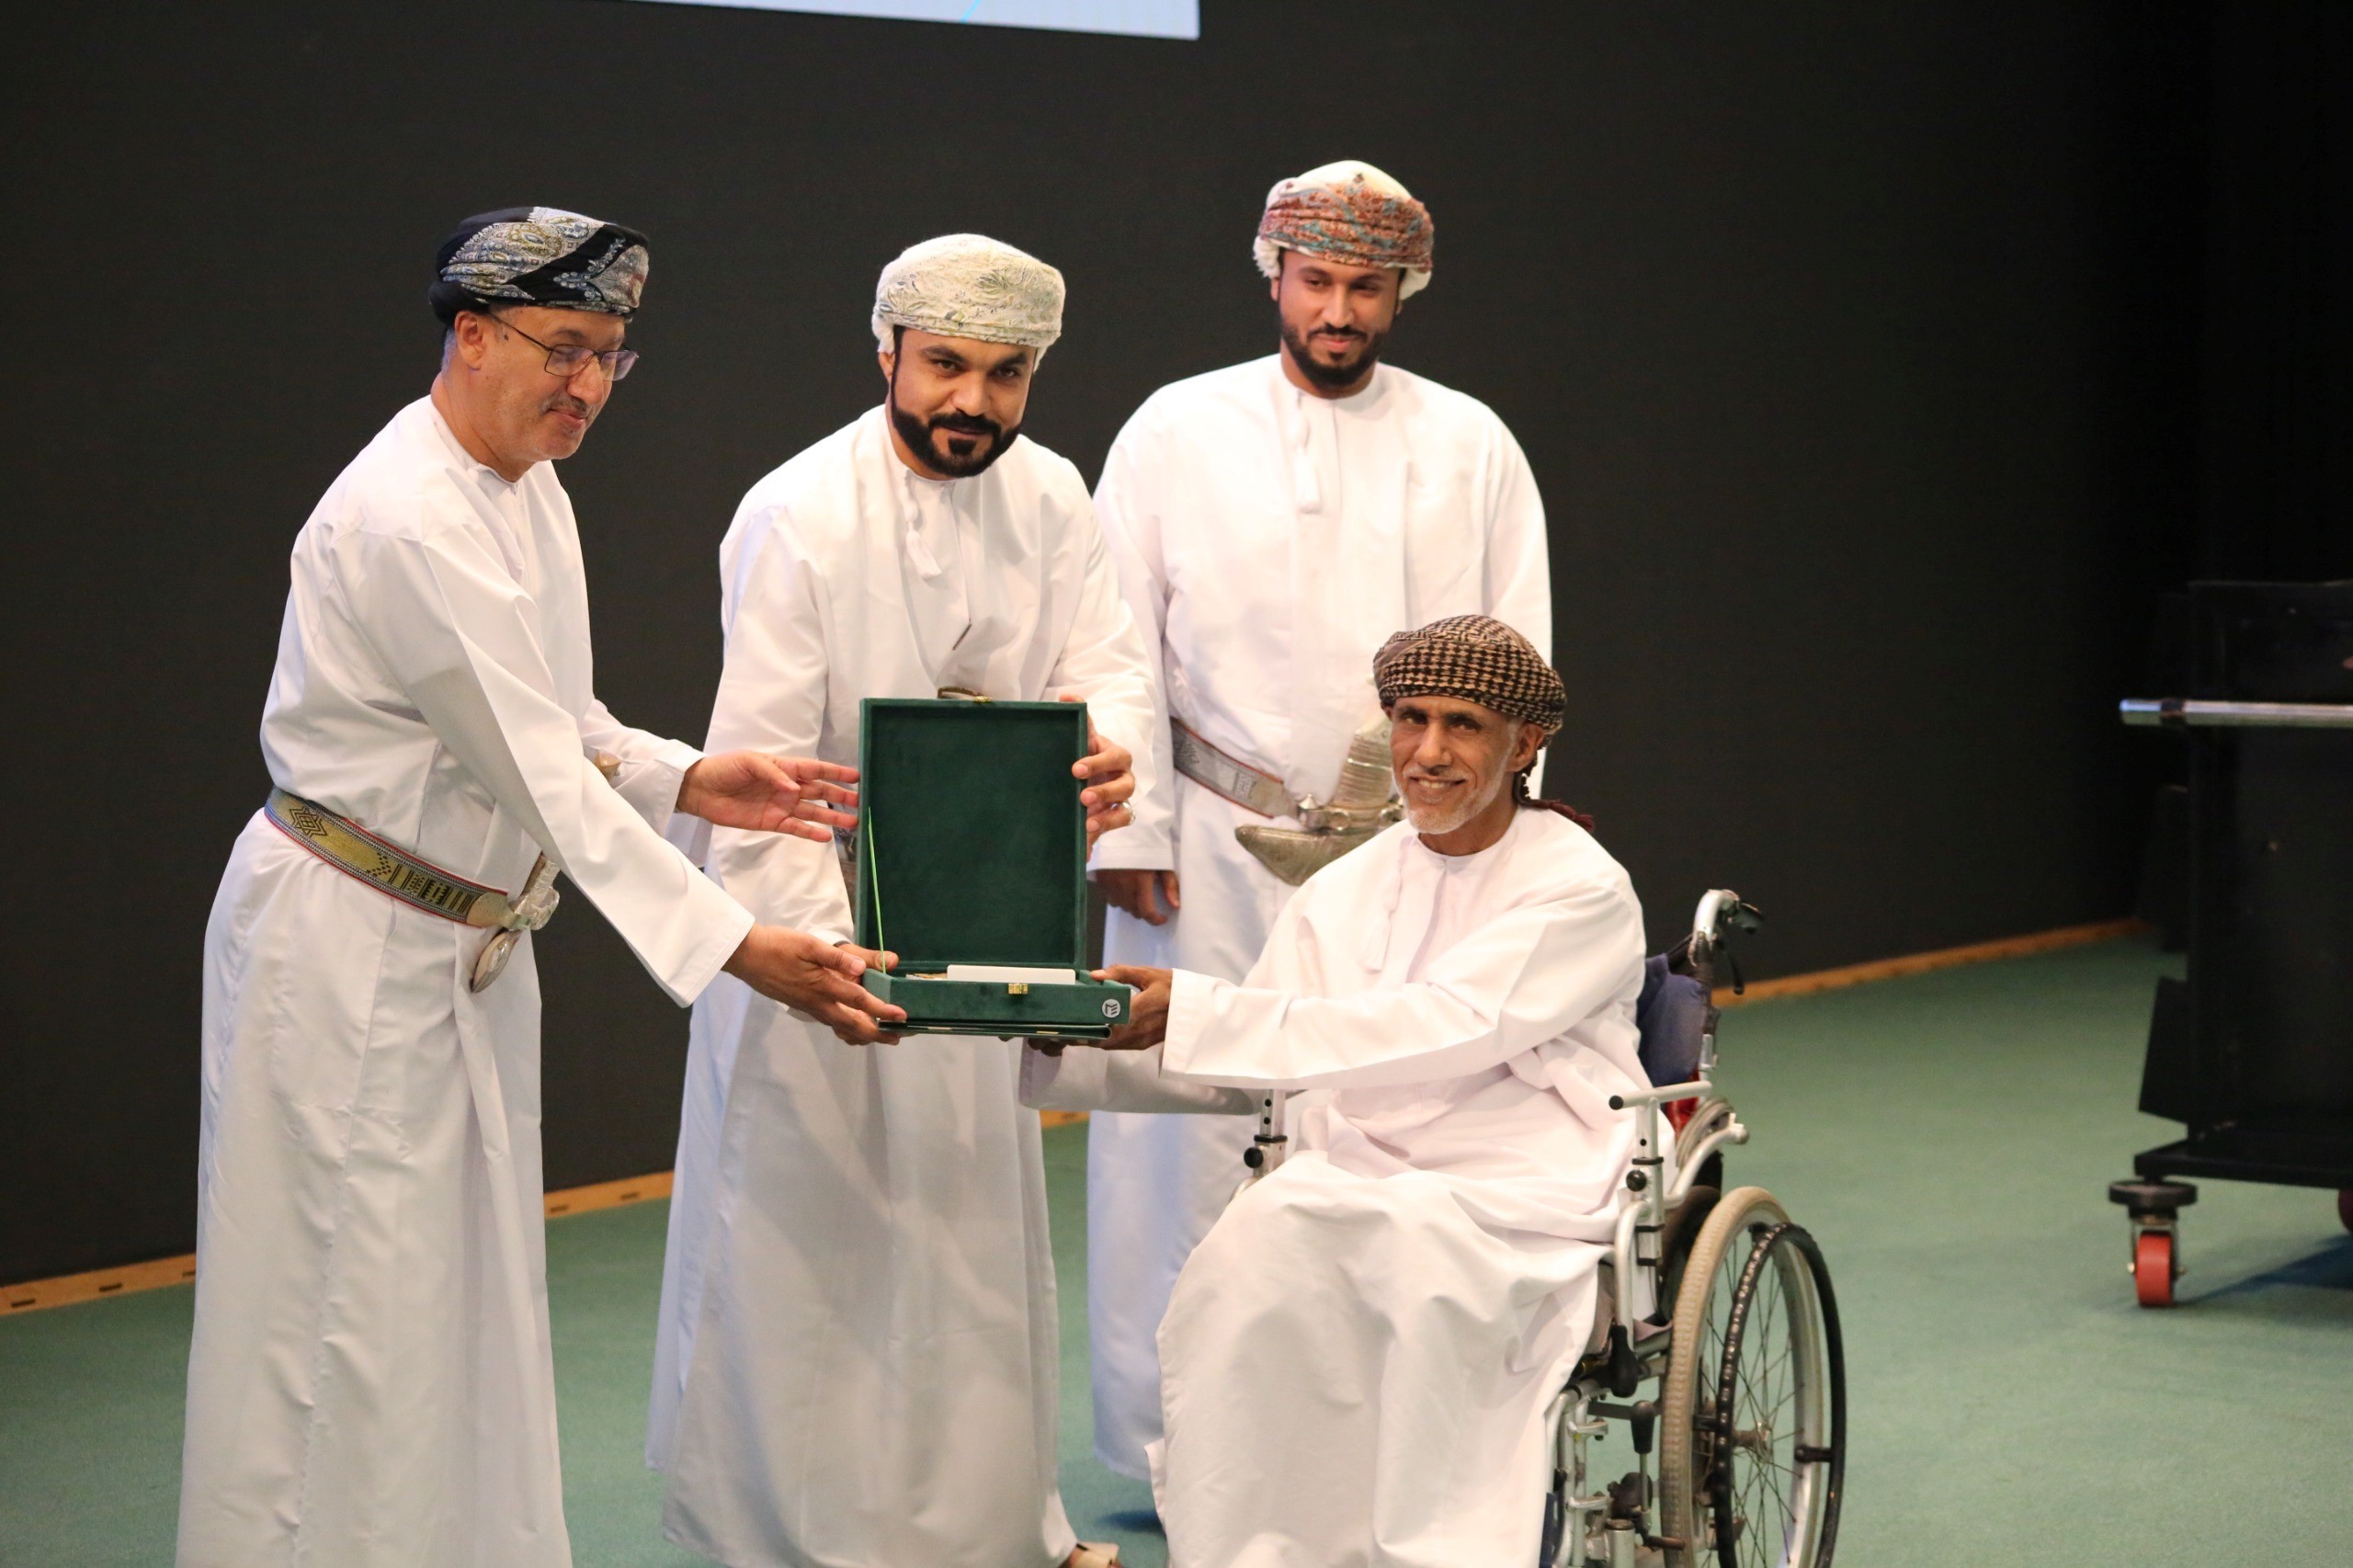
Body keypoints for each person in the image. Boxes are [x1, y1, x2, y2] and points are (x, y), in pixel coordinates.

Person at [176, 207, 901, 1568]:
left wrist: (689, 775)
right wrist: (740, 937)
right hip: (345, 956)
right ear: (469, 336)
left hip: (456, 950)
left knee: (459, 1306)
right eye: (562, 347)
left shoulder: (519, 484)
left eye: (610, 357)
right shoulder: (407, 519)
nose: (584, 386)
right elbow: (536, 774)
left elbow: (554, 719)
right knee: (345, 1319)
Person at [649, 233, 1154, 1568]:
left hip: (987, 936)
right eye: (944, 366)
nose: (971, 402)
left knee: (969, 1248)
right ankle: (792, 1544)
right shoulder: (798, 512)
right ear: (885, 353)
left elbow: (1108, 666)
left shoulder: (1054, 495)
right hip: (824, 943)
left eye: (1004, 374)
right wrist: (823, 955)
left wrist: (1109, 756)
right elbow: (755, 764)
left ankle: (994, 1531)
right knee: (810, 1263)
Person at [1084, 157, 1554, 1479]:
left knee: (1393, 1134)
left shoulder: (1472, 443)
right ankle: (1176, 1455)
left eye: (1365, 286)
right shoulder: (1174, 429)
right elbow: (1115, 640)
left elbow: (1519, 657)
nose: (1337, 309)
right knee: (1183, 1146)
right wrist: (1132, 832)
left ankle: (1374, 1458)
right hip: (1210, 856)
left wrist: (1486, 849)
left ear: (1402, 291)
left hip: (1414, 855)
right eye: (1316, 280)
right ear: (1271, 273)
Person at [1026, 615, 1647, 1567]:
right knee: (1255, 1247)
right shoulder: (1344, 887)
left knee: (1407, 1251)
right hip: (1350, 1165)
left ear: (1524, 744)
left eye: (1463, 725)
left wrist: (1196, 1009)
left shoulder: (1579, 887)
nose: (1428, 752)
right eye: (1409, 718)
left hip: (1517, 1183)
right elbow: (1268, 1058)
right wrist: (1059, 1044)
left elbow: (1440, 1025)